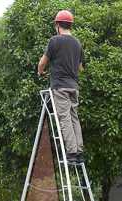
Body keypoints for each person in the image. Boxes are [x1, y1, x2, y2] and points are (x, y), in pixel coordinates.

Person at [38, 10, 84, 163]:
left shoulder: (54, 41)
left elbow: (42, 63)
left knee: (64, 119)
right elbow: (80, 68)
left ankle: (71, 153)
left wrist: (41, 72)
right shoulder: (77, 43)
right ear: (70, 25)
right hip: (74, 87)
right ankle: (79, 150)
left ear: (58, 25)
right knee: (74, 118)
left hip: (60, 87)